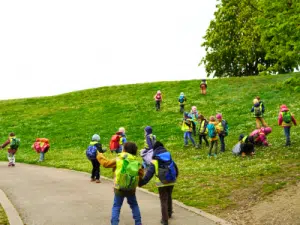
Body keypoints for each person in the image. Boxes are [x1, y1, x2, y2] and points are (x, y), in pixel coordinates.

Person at [97, 142, 143, 225]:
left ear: (124, 150)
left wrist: (100, 155)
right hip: (131, 188)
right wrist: (139, 183)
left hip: (119, 187)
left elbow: (106, 164)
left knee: (116, 206)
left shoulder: (119, 159)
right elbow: (141, 174)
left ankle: (114, 223)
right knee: (134, 205)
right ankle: (138, 223)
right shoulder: (136, 162)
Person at [139, 141, 179, 225]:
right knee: (169, 196)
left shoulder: (155, 161)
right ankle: (169, 213)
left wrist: (142, 182)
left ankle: (165, 220)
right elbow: (176, 169)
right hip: (171, 181)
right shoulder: (169, 157)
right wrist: (174, 177)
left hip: (161, 183)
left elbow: (149, 174)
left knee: (163, 200)